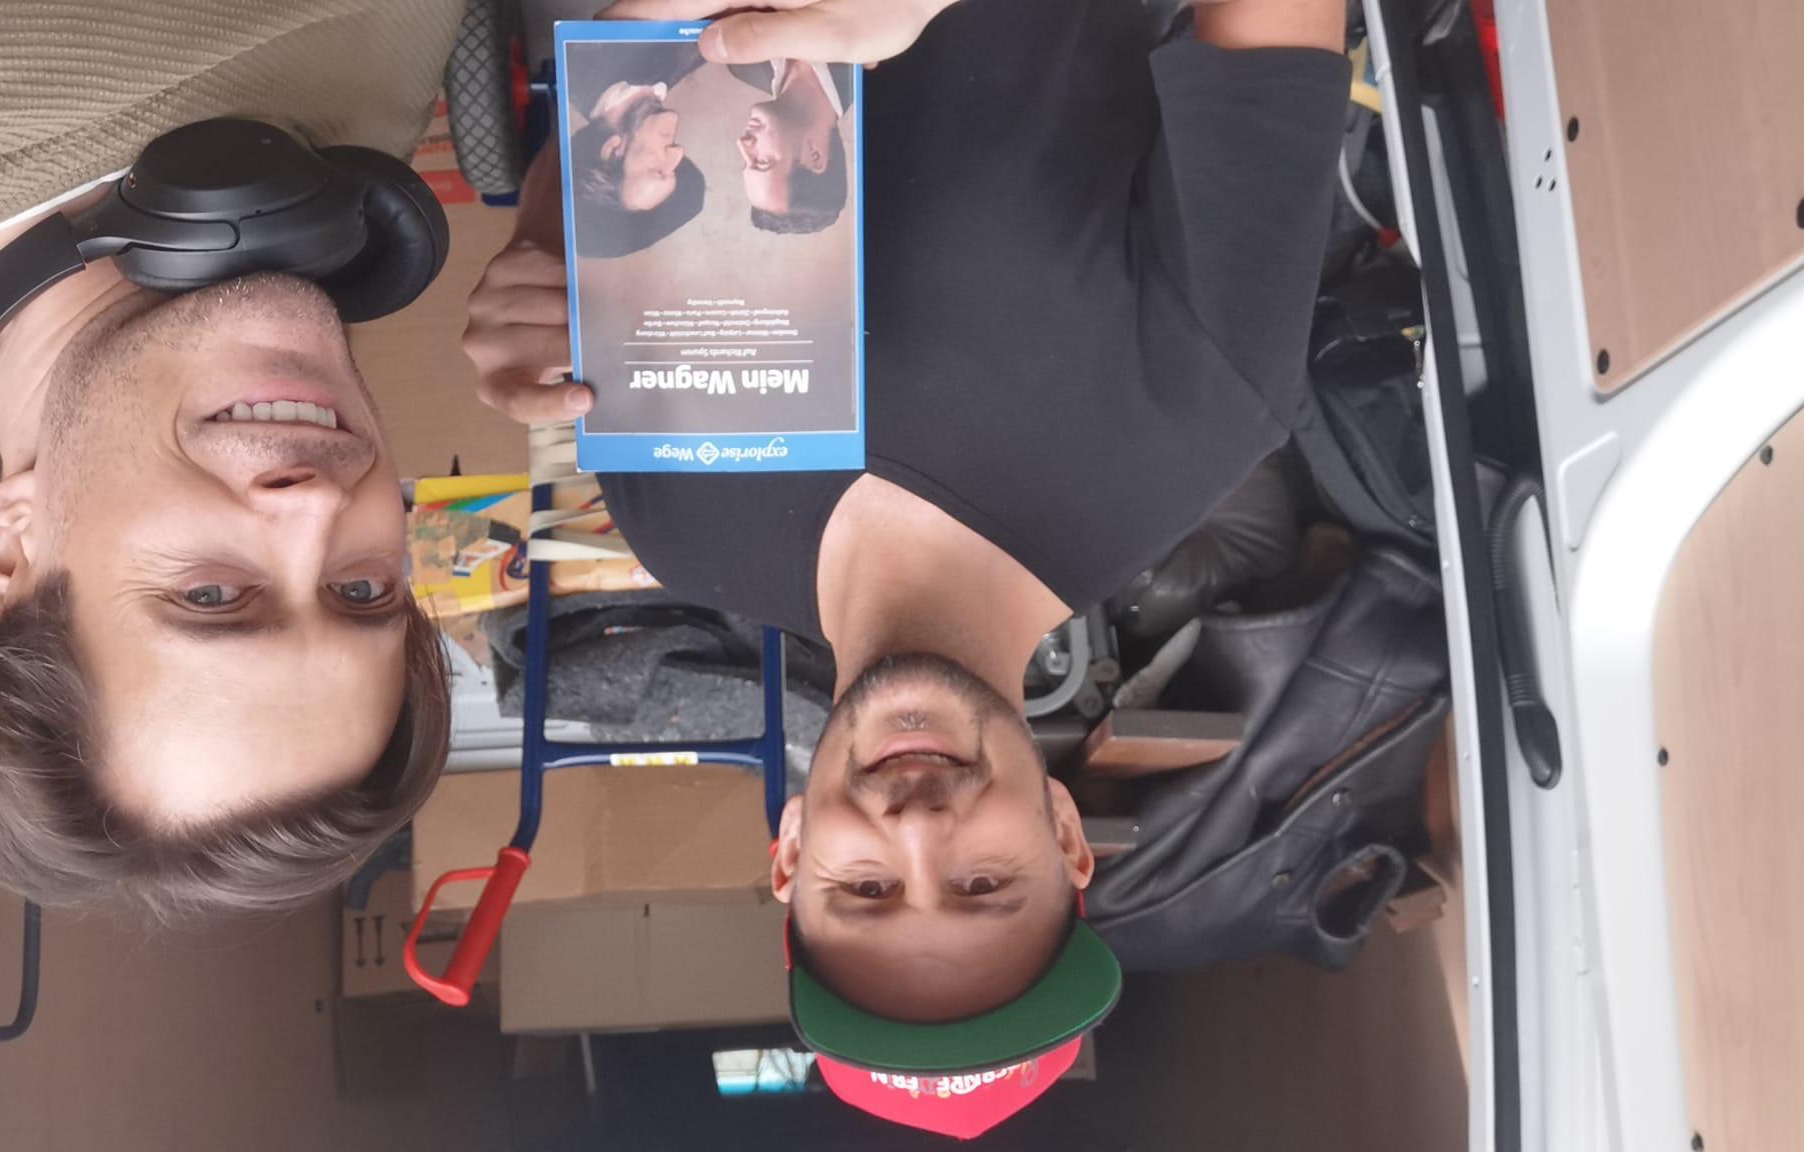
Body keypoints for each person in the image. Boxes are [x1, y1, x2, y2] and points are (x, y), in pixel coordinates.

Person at [473, 0, 1346, 1133]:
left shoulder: (678, 530)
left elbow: (612, 133)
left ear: (791, 854)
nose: (918, 826)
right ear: (1065, 839)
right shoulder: (1204, 407)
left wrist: (541, 255)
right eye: (983, 884)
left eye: (867, 889)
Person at [0, 0, 465, 918]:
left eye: (211, 596)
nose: (316, 505)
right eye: (361, 590)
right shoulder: (337, 169)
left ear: (8, 554)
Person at [564, 40, 708, 257]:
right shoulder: (700, 52)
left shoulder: (576, 52)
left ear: (613, 149)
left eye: (657, 170)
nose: (677, 153)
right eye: (673, 170)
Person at [730, 58, 855, 234]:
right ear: (815, 155)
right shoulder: (867, 60)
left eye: (746, 162)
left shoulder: (742, 65)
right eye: (763, 161)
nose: (742, 144)